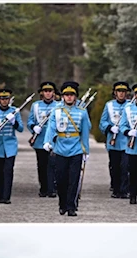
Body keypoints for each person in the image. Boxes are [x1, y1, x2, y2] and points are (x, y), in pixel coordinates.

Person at [43, 81, 91, 216]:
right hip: (60, 148)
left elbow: (86, 132)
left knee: (74, 178)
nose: (69, 97)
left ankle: (71, 206)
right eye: (66, 94)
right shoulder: (57, 111)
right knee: (61, 179)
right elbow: (51, 127)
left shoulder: (82, 112)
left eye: (71, 95)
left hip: (76, 148)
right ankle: (62, 203)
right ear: (62, 96)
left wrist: (86, 150)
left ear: (75, 97)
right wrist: (47, 141)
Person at [28, 81, 59, 198]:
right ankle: (44, 187)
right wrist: (33, 127)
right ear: (42, 93)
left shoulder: (59, 105)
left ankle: (52, 188)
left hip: (53, 140)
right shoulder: (35, 105)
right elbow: (31, 120)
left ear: (53, 93)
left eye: (50, 91)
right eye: (45, 91)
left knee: (53, 165)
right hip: (40, 140)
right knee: (42, 165)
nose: (48, 93)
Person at [100, 81, 130, 199]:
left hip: (127, 141)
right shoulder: (109, 105)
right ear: (115, 93)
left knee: (125, 166)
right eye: (119, 91)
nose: (121, 94)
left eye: (123, 91)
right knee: (115, 166)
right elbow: (103, 122)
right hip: (114, 141)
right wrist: (109, 128)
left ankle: (124, 190)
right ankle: (116, 189)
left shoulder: (130, 105)